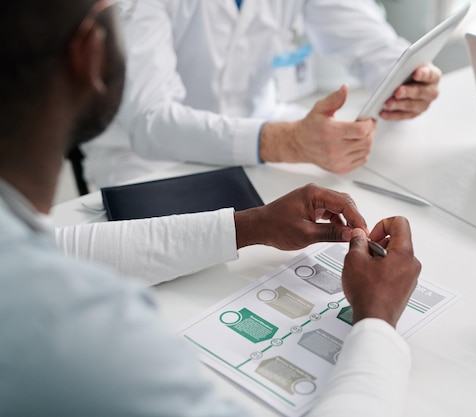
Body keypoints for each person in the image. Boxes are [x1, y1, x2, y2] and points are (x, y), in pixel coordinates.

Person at [0, 1, 422, 416]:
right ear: (90, 50)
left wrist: (250, 226)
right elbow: (152, 120)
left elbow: (66, 247)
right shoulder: (103, 343)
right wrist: (378, 321)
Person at [82, 0, 443, 187]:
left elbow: (370, 43)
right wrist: (285, 143)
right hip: (148, 163)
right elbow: (151, 123)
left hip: (259, 132)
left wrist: (405, 80)